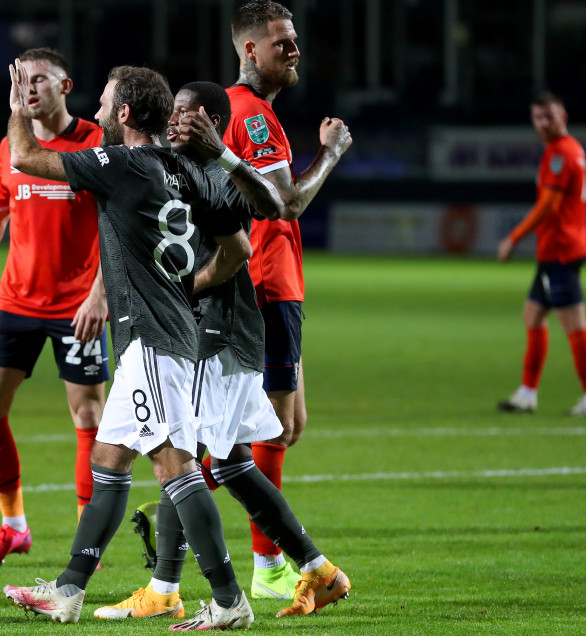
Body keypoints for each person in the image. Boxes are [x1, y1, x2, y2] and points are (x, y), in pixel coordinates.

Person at [0, 62, 286, 631]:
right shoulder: (190, 169)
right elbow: (239, 243)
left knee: (174, 468)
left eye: (105, 103)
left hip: (153, 339)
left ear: (126, 114)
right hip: (158, 336)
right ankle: (67, 590)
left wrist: (17, 106)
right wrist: (191, 285)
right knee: (108, 460)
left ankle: (229, 600)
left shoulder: (124, 162)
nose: (99, 112)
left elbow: (25, 158)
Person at [94, 81, 351, 622]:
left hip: (219, 332)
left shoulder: (220, 174)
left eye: (185, 114)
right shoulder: (179, 170)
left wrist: (188, 291)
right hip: (217, 332)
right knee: (230, 462)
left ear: (210, 119)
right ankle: (320, 570)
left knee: (181, 455)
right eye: (172, 114)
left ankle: (167, 588)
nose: (173, 122)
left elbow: (270, 215)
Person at [0, 48, 108, 565]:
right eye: (20, 81)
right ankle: (14, 526)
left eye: (38, 79)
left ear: (66, 84)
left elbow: (120, 228)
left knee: (87, 415)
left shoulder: (97, 145)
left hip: (77, 304)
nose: (28, 89)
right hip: (16, 300)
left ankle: (87, 538)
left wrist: (100, 293)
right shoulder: (12, 146)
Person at [221, 0, 354, 598]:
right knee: (260, 429)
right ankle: (265, 566)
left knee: (286, 425)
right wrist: (330, 153)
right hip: (267, 285)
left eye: (295, 38)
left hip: (280, 286)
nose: (294, 49)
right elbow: (287, 204)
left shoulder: (250, 112)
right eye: (282, 42)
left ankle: (261, 560)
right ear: (250, 49)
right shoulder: (251, 118)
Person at [497, 92, 586, 416]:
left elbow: (549, 205)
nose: (544, 123)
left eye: (550, 116)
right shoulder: (565, 150)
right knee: (533, 316)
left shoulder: (561, 153)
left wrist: (514, 237)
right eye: (538, 117)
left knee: (574, 324)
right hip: (556, 250)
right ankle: (527, 393)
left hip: (561, 251)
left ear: (564, 116)